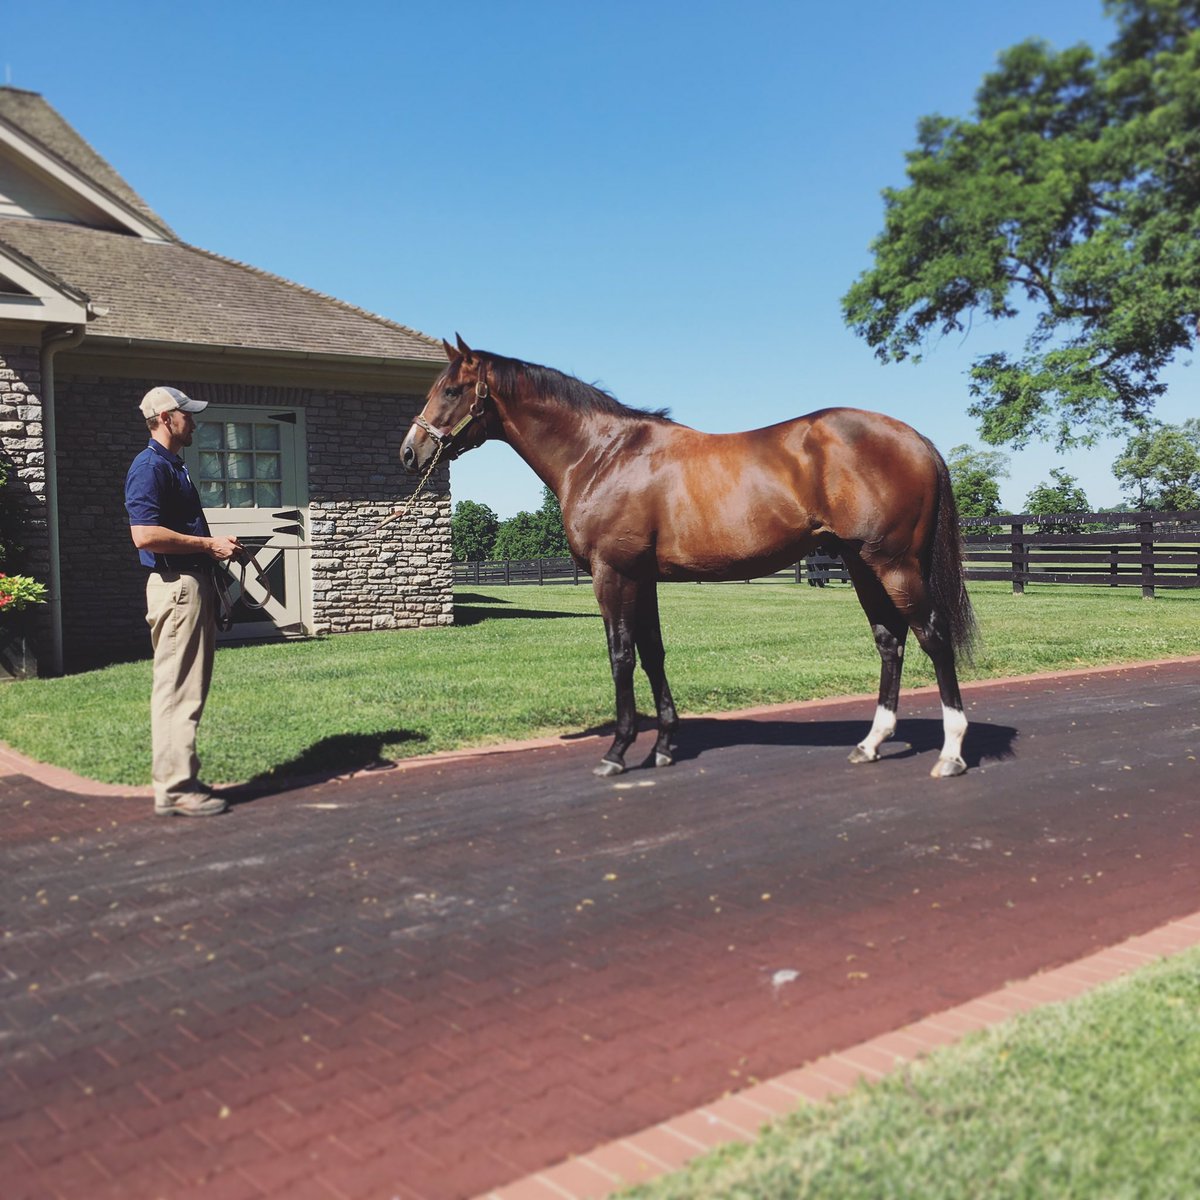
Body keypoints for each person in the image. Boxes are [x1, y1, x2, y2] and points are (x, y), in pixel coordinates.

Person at [124, 386, 242, 817]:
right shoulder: (149, 467)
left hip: (188, 584)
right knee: (177, 689)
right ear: (165, 417)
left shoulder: (173, 466)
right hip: (175, 587)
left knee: (187, 688)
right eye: (187, 415)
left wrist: (214, 545)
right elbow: (145, 534)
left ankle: (178, 779)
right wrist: (208, 545)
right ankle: (176, 788)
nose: (194, 421)